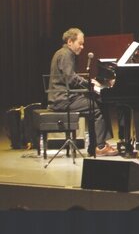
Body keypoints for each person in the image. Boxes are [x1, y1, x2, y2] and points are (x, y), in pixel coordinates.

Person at [46, 27, 117, 156]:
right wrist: (89, 83)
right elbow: (71, 78)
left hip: (63, 97)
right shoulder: (66, 54)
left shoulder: (63, 53)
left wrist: (89, 83)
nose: (82, 47)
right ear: (70, 42)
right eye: (80, 43)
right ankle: (99, 147)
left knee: (97, 102)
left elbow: (71, 77)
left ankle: (95, 145)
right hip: (62, 99)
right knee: (95, 107)